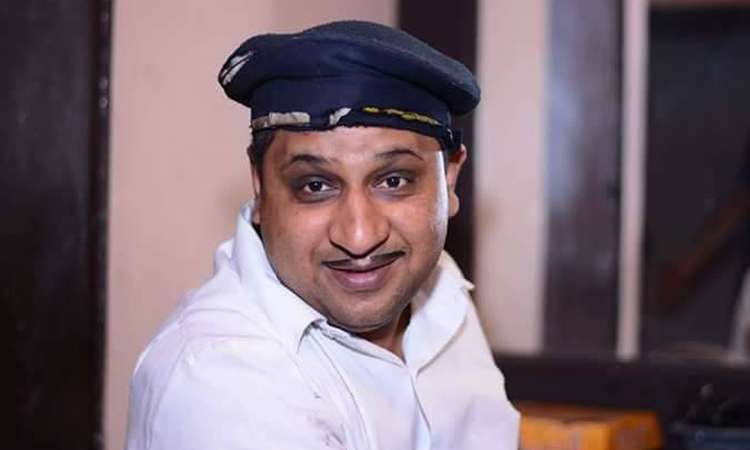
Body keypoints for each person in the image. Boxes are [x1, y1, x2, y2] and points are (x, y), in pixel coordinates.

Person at [125, 20, 519, 450]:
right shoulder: (221, 381)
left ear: (449, 179)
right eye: (315, 186)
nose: (360, 236)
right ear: (260, 185)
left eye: (394, 180)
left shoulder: (440, 290)